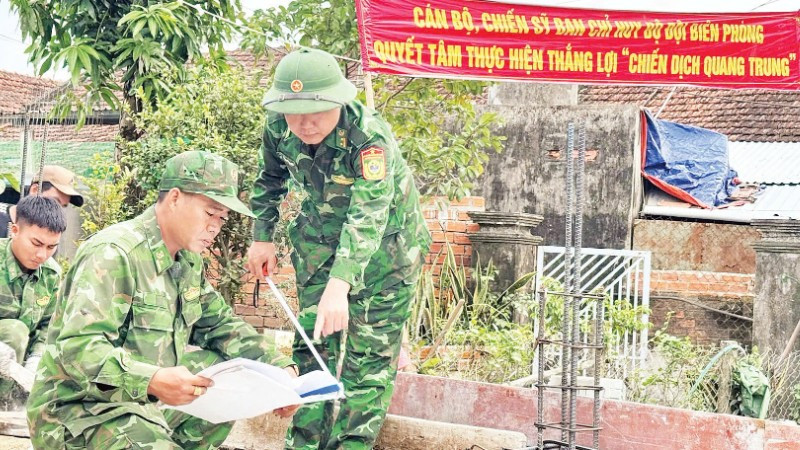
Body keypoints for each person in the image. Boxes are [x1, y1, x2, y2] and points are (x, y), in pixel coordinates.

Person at [27, 151, 299, 449]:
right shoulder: (114, 253)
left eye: (222, 217)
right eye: (210, 213)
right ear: (175, 198)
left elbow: (221, 325)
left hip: (144, 405)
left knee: (227, 373)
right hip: (79, 412)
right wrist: (152, 379)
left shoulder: (187, 261)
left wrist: (279, 368)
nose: (215, 226)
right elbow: (78, 350)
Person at [246, 48, 431, 450]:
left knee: (366, 364)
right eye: (294, 113)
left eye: (316, 111)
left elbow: (369, 213)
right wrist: (262, 236)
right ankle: (304, 444)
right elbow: (269, 179)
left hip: (388, 255)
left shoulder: (368, 136)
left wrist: (340, 285)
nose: (305, 123)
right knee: (314, 351)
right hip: (320, 244)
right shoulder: (278, 127)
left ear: (338, 101)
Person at [0, 195, 65, 375]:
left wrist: (36, 359)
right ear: (15, 231)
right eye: (36, 243)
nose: (42, 255)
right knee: (15, 332)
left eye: (51, 247)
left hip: (18, 365)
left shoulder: (51, 274)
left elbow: (47, 326)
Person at [0, 165, 84, 238]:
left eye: (62, 206)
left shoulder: (47, 237)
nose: (57, 211)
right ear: (35, 190)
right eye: (55, 202)